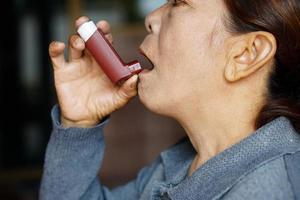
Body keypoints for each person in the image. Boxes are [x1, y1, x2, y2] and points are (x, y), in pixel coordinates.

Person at [40, 0, 300, 199]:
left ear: (246, 54)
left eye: (178, 2)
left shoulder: (269, 189)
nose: (151, 18)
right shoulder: (179, 167)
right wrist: (79, 123)